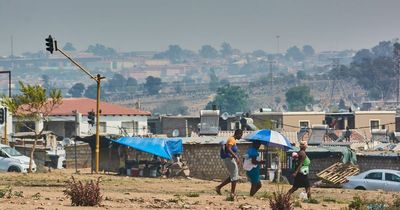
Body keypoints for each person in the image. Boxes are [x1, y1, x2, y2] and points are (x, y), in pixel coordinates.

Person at [215, 129, 243, 198]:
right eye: (241, 135)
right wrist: (235, 156)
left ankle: (219, 187)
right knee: (235, 176)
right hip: (229, 159)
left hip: (229, 159)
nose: (241, 137)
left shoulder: (232, 139)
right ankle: (232, 193)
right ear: (238, 134)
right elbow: (228, 148)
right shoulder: (232, 139)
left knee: (233, 176)